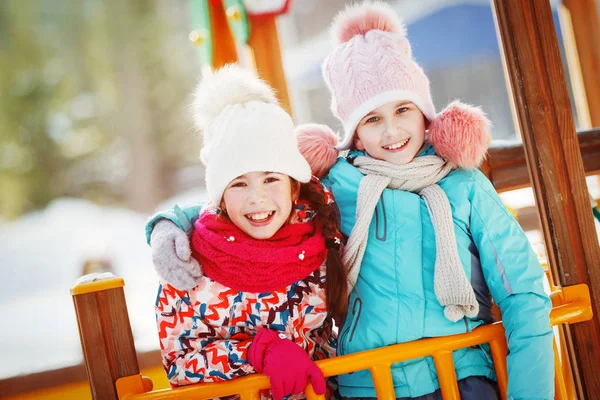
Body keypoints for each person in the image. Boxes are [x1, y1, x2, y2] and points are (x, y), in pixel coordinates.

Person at [292, 2, 553, 399]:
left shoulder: (462, 186)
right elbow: (257, 211)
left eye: (402, 109)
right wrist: (184, 226)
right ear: (355, 135)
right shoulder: (336, 191)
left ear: (425, 116)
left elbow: (522, 292)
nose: (392, 129)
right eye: (372, 118)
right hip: (369, 382)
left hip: (461, 376)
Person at [147, 65, 347, 400]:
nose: (257, 198)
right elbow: (180, 364)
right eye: (239, 183)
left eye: (271, 179)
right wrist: (256, 353)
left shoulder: (323, 241)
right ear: (220, 197)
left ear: (293, 188)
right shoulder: (191, 267)